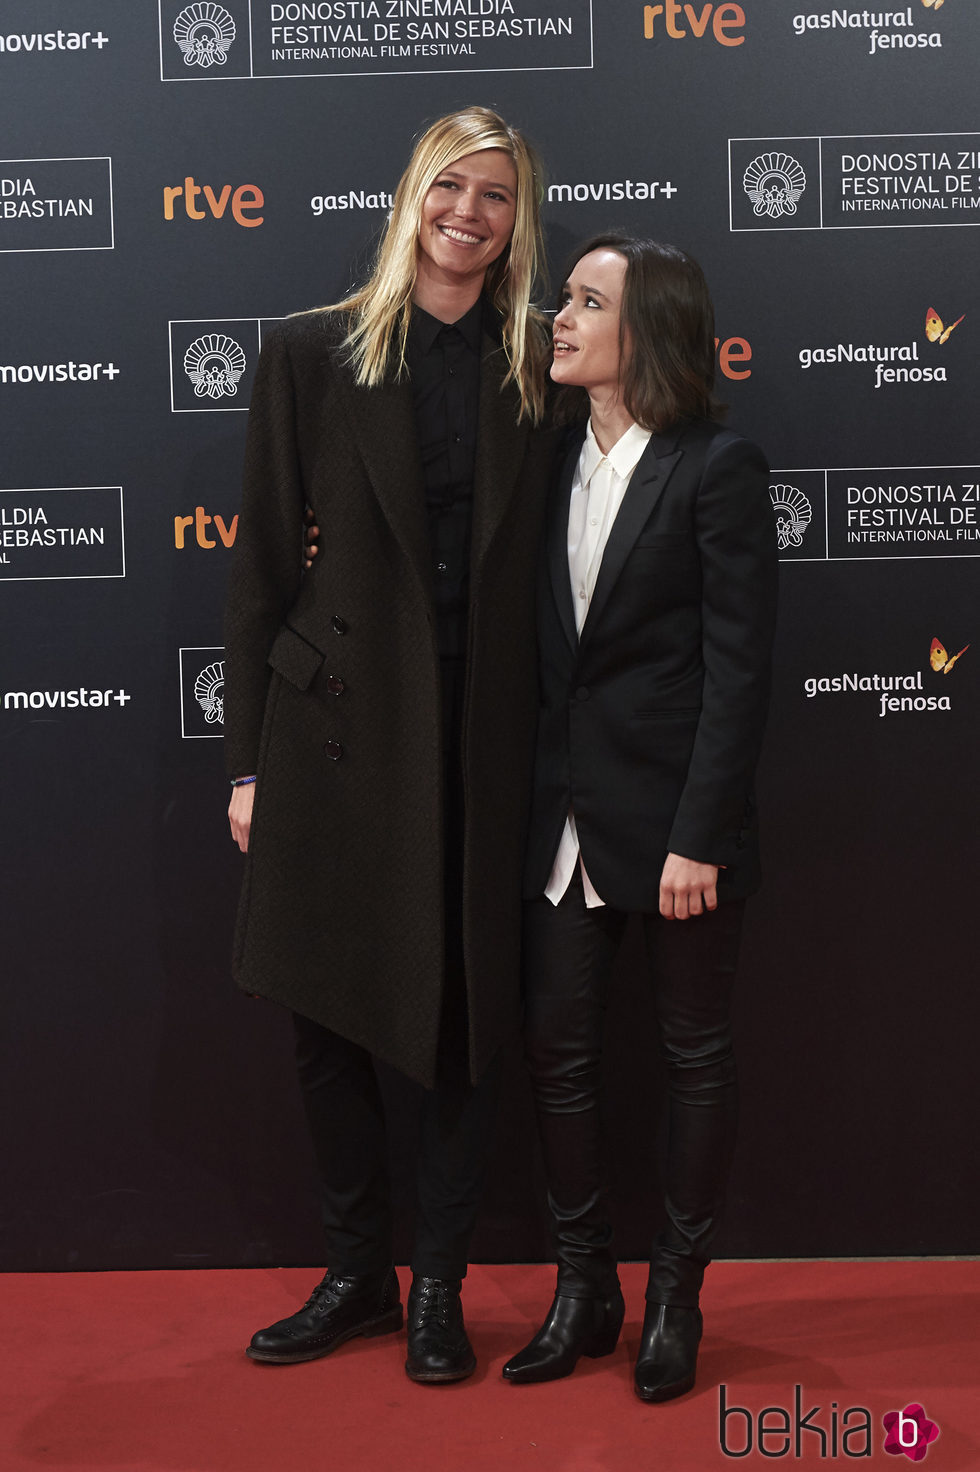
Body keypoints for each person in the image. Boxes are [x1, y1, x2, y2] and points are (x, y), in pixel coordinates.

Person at [223, 106, 555, 1384]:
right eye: (450, 188)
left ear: (518, 218)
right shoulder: (309, 356)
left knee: (466, 1014)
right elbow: (258, 569)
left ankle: (441, 1288)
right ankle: (359, 1275)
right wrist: (249, 761)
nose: (469, 212)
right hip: (334, 729)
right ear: (411, 195)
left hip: (484, 729)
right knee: (324, 1008)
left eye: (496, 195)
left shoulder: (541, 362)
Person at [500, 235, 777, 1401]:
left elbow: (738, 668)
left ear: (644, 326)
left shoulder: (716, 465)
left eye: (584, 300)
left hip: (674, 835)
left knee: (690, 1057)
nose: (556, 317)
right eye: (561, 298)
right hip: (559, 821)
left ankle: (674, 1294)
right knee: (558, 1056)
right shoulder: (541, 457)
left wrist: (696, 834)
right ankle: (584, 1288)